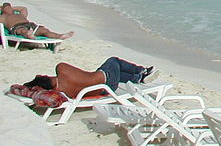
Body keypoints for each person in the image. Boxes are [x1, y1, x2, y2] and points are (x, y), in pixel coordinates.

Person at [23, 57, 157, 98]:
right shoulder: (62, 69)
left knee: (115, 73)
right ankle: (142, 70)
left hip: (104, 90)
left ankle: (138, 79)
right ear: (45, 77)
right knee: (113, 61)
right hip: (105, 80)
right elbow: (82, 73)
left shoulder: (62, 92)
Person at [0, 2, 74, 40]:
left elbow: (23, 8)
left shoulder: (19, 14)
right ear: (3, 9)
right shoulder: (3, 17)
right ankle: (28, 35)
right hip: (17, 27)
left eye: (10, 7)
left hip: (29, 24)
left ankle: (60, 36)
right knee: (23, 30)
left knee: (44, 30)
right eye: (7, 8)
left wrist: (12, 8)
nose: (9, 9)